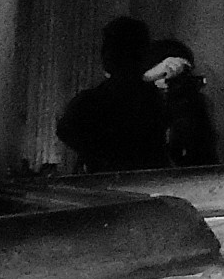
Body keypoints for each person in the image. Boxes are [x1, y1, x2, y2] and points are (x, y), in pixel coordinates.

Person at [55, 17, 170, 173]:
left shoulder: (91, 102)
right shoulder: (157, 99)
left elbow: (66, 130)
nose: (103, 54)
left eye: (108, 47)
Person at [145, 37, 217, 167]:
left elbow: (206, 160)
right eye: (165, 75)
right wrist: (147, 78)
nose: (172, 84)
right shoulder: (139, 106)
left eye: (179, 77)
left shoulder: (196, 107)